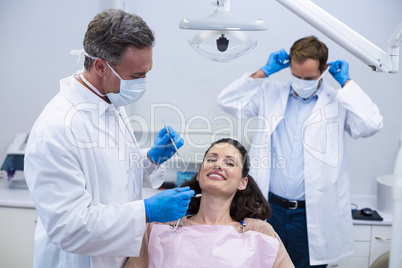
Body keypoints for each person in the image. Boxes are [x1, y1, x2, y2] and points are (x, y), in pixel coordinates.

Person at [24, 9, 194, 268]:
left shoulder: (111, 101)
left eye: (147, 72)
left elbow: (112, 173)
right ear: (101, 66)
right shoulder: (56, 128)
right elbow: (70, 227)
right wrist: (146, 211)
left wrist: (149, 159)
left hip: (118, 257)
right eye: (136, 76)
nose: (144, 82)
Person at [216, 36, 383, 267]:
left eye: (310, 78)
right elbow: (226, 101)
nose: (302, 82)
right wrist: (263, 72)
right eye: (296, 76)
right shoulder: (270, 93)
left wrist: (347, 83)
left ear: (324, 69)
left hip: (311, 216)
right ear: (290, 66)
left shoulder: (337, 101)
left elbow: (372, 124)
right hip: (269, 208)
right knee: (259, 262)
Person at [124, 138, 294, 268]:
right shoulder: (159, 228)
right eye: (212, 159)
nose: (218, 165)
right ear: (199, 175)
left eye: (229, 163)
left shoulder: (259, 233)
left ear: (243, 183)